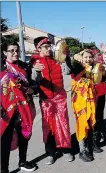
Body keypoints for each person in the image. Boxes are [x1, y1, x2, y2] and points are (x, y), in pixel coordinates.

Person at [30, 36, 74, 165]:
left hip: (59, 97)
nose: (49, 48)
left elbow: (67, 72)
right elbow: (34, 80)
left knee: (63, 124)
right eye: (45, 47)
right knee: (48, 127)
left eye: (49, 46)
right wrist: (36, 71)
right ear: (38, 48)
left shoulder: (57, 58)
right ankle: (50, 152)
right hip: (46, 99)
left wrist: (66, 59)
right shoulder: (34, 61)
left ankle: (66, 150)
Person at [1, 42, 37, 173]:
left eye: (17, 50)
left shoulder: (24, 66)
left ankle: (22, 161)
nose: (15, 53)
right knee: (5, 140)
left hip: (24, 108)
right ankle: (4, 169)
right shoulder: (1, 67)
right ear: (5, 52)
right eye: (11, 50)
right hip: (6, 110)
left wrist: (32, 89)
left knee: (24, 135)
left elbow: (34, 84)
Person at [70, 49, 105, 162]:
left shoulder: (94, 68)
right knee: (82, 124)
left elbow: (102, 79)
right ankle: (82, 150)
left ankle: (91, 145)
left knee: (91, 122)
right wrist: (75, 56)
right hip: (79, 101)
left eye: (90, 57)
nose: (88, 59)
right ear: (81, 57)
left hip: (92, 99)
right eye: (86, 57)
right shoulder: (78, 66)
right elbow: (71, 64)